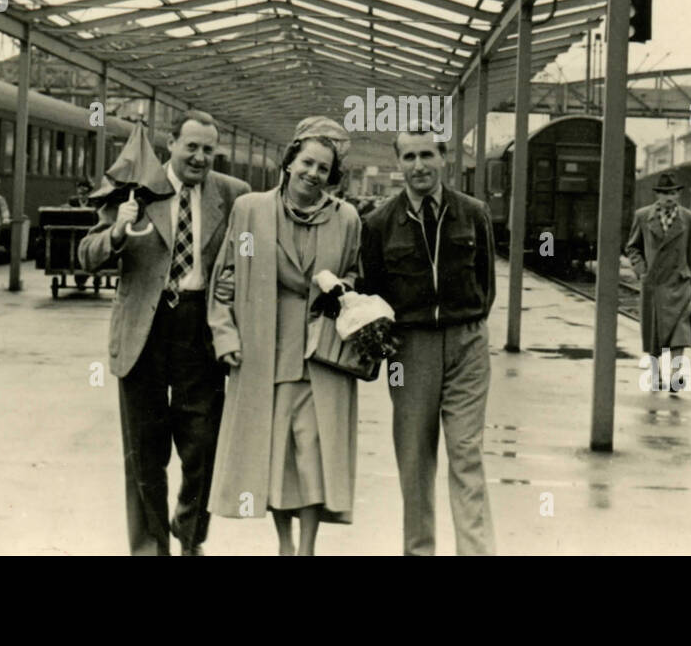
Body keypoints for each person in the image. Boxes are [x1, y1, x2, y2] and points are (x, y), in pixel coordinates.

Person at [78, 110, 249, 556]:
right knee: (144, 451)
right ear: (170, 144)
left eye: (209, 149)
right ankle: (150, 547)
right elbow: (87, 255)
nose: (200, 156)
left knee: (204, 447)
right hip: (144, 333)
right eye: (191, 146)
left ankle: (189, 535)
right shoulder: (135, 189)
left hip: (200, 329)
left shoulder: (233, 195)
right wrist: (117, 230)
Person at [207, 117, 361, 556]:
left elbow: (354, 273)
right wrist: (225, 336)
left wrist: (342, 288)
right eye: (307, 163)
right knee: (275, 457)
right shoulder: (252, 211)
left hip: (322, 355)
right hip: (264, 349)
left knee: (313, 456)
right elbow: (228, 277)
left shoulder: (346, 218)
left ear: (333, 176)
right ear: (290, 161)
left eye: (323, 169)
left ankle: (307, 548)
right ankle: (284, 545)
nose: (313, 174)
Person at [359, 127, 497, 556]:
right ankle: (419, 551)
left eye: (427, 155)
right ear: (399, 163)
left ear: (444, 159)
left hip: (467, 344)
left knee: (466, 452)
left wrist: (466, 325)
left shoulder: (473, 212)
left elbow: (486, 283)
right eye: (409, 157)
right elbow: (374, 292)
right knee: (415, 459)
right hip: (409, 350)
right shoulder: (380, 223)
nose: (419, 165)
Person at [625, 171, 691, 394]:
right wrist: (642, 271)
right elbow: (632, 247)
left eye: (673, 193)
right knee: (653, 333)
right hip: (654, 283)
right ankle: (656, 375)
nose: (669, 197)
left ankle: (676, 375)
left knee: (681, 331)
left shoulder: (688, 218)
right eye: (665, 193)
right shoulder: (643, 216)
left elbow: (690, 252)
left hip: (679, 282)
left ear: (678, 195)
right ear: (657, 195)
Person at [67, 177, 95, 290]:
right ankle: (80, 280)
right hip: (76, 234)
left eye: (84, 193)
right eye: (80, 193)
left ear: (88, 193)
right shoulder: (72, 202)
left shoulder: (94, 203)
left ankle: (84, 278)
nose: (81, 196)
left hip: (89, 233)